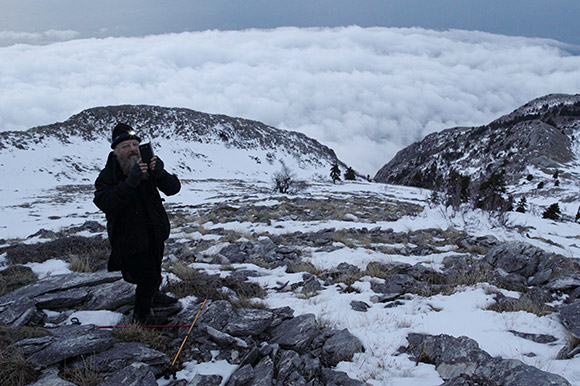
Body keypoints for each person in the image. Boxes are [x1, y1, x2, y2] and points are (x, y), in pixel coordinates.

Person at [94, 122, 181, 324]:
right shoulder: (108, 174)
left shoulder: (147, 168)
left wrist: (160, 172)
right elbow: (105, 201)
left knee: (155, 269)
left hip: (154, 232)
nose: (132, 149)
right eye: (126, 146)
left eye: (135, 144)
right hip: (129, 237)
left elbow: (173, 189)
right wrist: (130, 182)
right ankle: (141, 318)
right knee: (146, 276)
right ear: (116, 151)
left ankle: (153, 297)